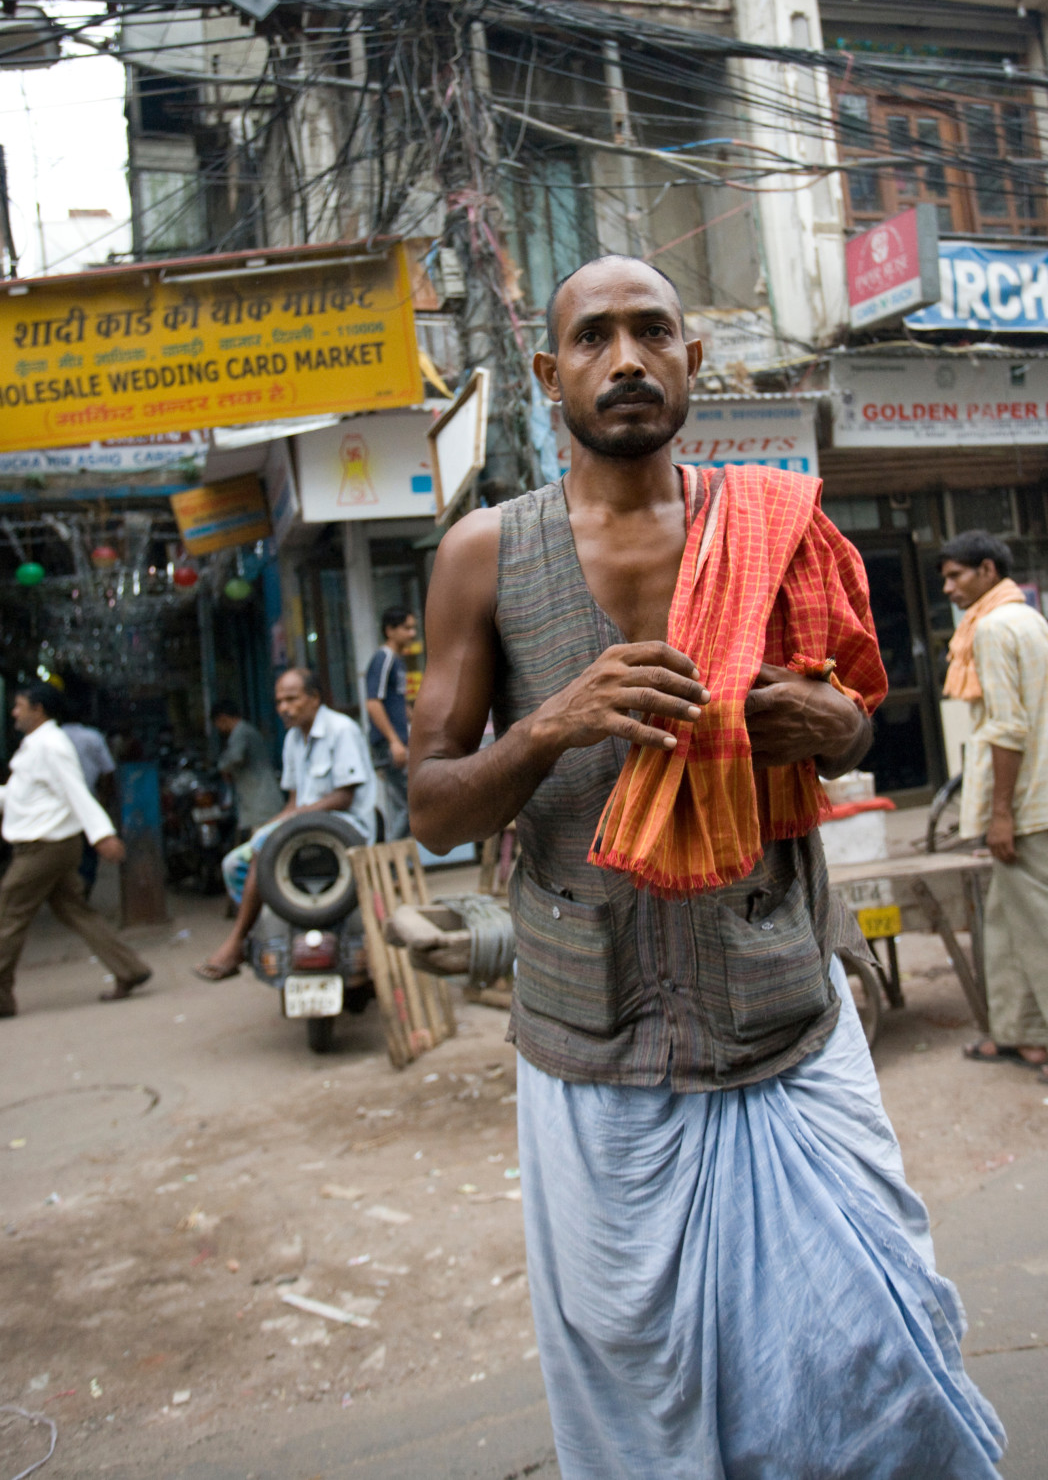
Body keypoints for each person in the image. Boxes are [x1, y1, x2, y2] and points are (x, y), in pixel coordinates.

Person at [408, 255, 1003, 1478]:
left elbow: (853, 718)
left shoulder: (776, 525)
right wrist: (550, 726)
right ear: (548, 372)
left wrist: (831, 729)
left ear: (690, 360)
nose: (624, 358)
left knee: (876, 1362)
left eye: (651, 331)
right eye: (593, 337)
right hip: (591, 1047)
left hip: (782, 1013)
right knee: (638, 1375)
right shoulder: (481, 554)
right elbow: (429, 808)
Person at [0, 682, 152, 1023]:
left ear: (38, 709)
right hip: (50, 844)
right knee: (74, 910)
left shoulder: (51, 746)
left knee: (8, 917)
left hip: (44, 846)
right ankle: (129, 969)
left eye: (19, 705)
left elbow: (76, 791)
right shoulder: (36, 746)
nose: (14, 712)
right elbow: (20, 795)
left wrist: (102, 834)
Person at [941, 531, 1048, 1083]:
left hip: (1029, 805)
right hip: (1035, 796)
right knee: (1007, 921)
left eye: (957, 575)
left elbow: (1009, 727)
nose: (948, 587)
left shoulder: (995, 627)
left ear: (987, 569)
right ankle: (1022, 1036)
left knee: (1037, 926)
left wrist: (1001, 814)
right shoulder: (1026, 618)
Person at [195, 668, 376, 981]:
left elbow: (344, 797)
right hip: (304, 828)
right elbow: (293, 802)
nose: (283, 708)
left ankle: (236, 941)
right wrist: (270, 827)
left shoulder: (341, 729)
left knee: (265, 851)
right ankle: (261, 930)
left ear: (315, 698)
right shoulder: (293, 739)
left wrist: (288, 823)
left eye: (292, 699)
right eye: (279, 701)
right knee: (234, 863)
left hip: (346, 827)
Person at [365, 606, 417, 840]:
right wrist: (394, 742)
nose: (412, 634)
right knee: (408, 806)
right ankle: (391, 864)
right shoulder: (383, 658)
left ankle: (398, 865)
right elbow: (373, 702)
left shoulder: (397, 660)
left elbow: (397, 703)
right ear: (390, 630)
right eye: (406, 628)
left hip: (398, 741)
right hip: (389, 744)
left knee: (402, 806)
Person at [210, 699, 284, 840]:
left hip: (260, 798)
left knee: (263, 841)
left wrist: (222, 767)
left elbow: (236, 757)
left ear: (222, 719)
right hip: (258, 797)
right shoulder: (245, 730)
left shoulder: (241, 732)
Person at [61, 713, 117, 897]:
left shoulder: (52, 738)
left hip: (60, 806)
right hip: (89, 799)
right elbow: (108, 769)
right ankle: (84, 884)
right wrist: (104, 798)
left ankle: (72, 886)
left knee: (65, 847)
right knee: (89, 846)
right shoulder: (93, 737)